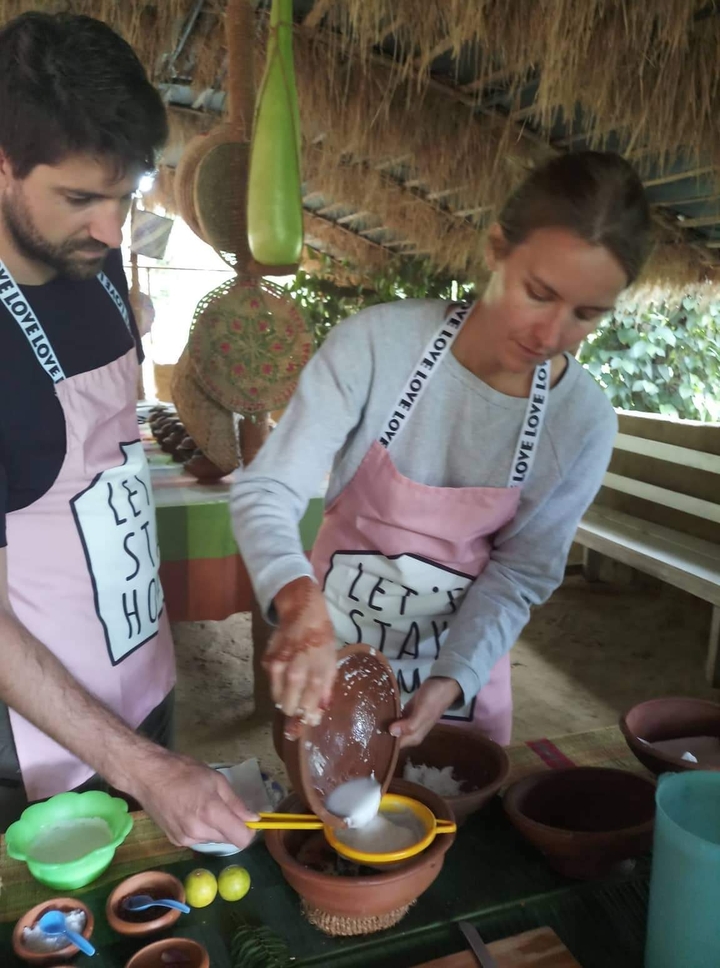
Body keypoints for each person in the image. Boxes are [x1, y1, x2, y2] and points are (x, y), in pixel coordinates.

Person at [231, 151, 652, 748]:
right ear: (497, 248)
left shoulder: (582, 421)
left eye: (586, 315)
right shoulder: (378, 346)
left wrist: (453, 679)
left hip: (458, 679)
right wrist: (297, 602)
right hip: (330, 659)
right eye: (538, 293)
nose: (550, 336)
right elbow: (268, 489)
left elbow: (521, 572)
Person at [0, 11, 256, 846]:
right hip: (36, 737)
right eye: (79, 198)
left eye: (125, 196)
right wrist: (139, 768)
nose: (112, 231)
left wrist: (151, 752)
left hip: (141, 670)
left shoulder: (95, 252)